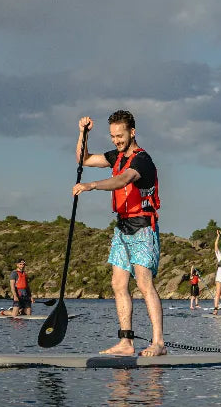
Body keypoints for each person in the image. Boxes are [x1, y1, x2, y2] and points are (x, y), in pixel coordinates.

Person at [71, 111, 166, 357]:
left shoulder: (142, 160)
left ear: (132, 132)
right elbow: (84, 159)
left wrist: (91, 185)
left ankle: (159, 343)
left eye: (120, 135)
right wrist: (83, 134)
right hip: (122, 228)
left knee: (144, 284)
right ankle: (126, 342)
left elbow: (124, 180)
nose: (116, 141)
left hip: (143, 227)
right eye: (113, 136)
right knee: (118, 284)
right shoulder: (116, 156)